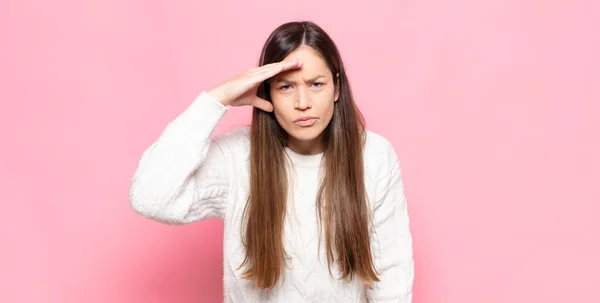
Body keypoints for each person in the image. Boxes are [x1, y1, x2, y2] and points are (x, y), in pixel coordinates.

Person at [129, 21, 414, 302]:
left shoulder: (373, 156)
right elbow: (150, 198)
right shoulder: (238, 157)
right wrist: (215, 100)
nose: (303, 102)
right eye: (286, 87)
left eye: (316, 84)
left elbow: (392, 277)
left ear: (337, 88)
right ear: (267, 93)